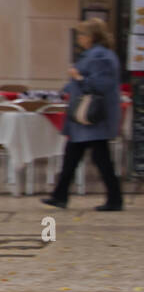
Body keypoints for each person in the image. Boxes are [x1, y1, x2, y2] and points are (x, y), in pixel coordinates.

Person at [43, 18, 124, 211]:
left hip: (92, 118)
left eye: (82, 34)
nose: (79, 38)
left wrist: (77, 77)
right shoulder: (95, 55)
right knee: (74, 156)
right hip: (86, 119)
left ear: (91, 36)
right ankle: (60, 195)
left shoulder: (100, 57)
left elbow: (99, 85)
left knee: (99, 159)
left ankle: (114, 199)